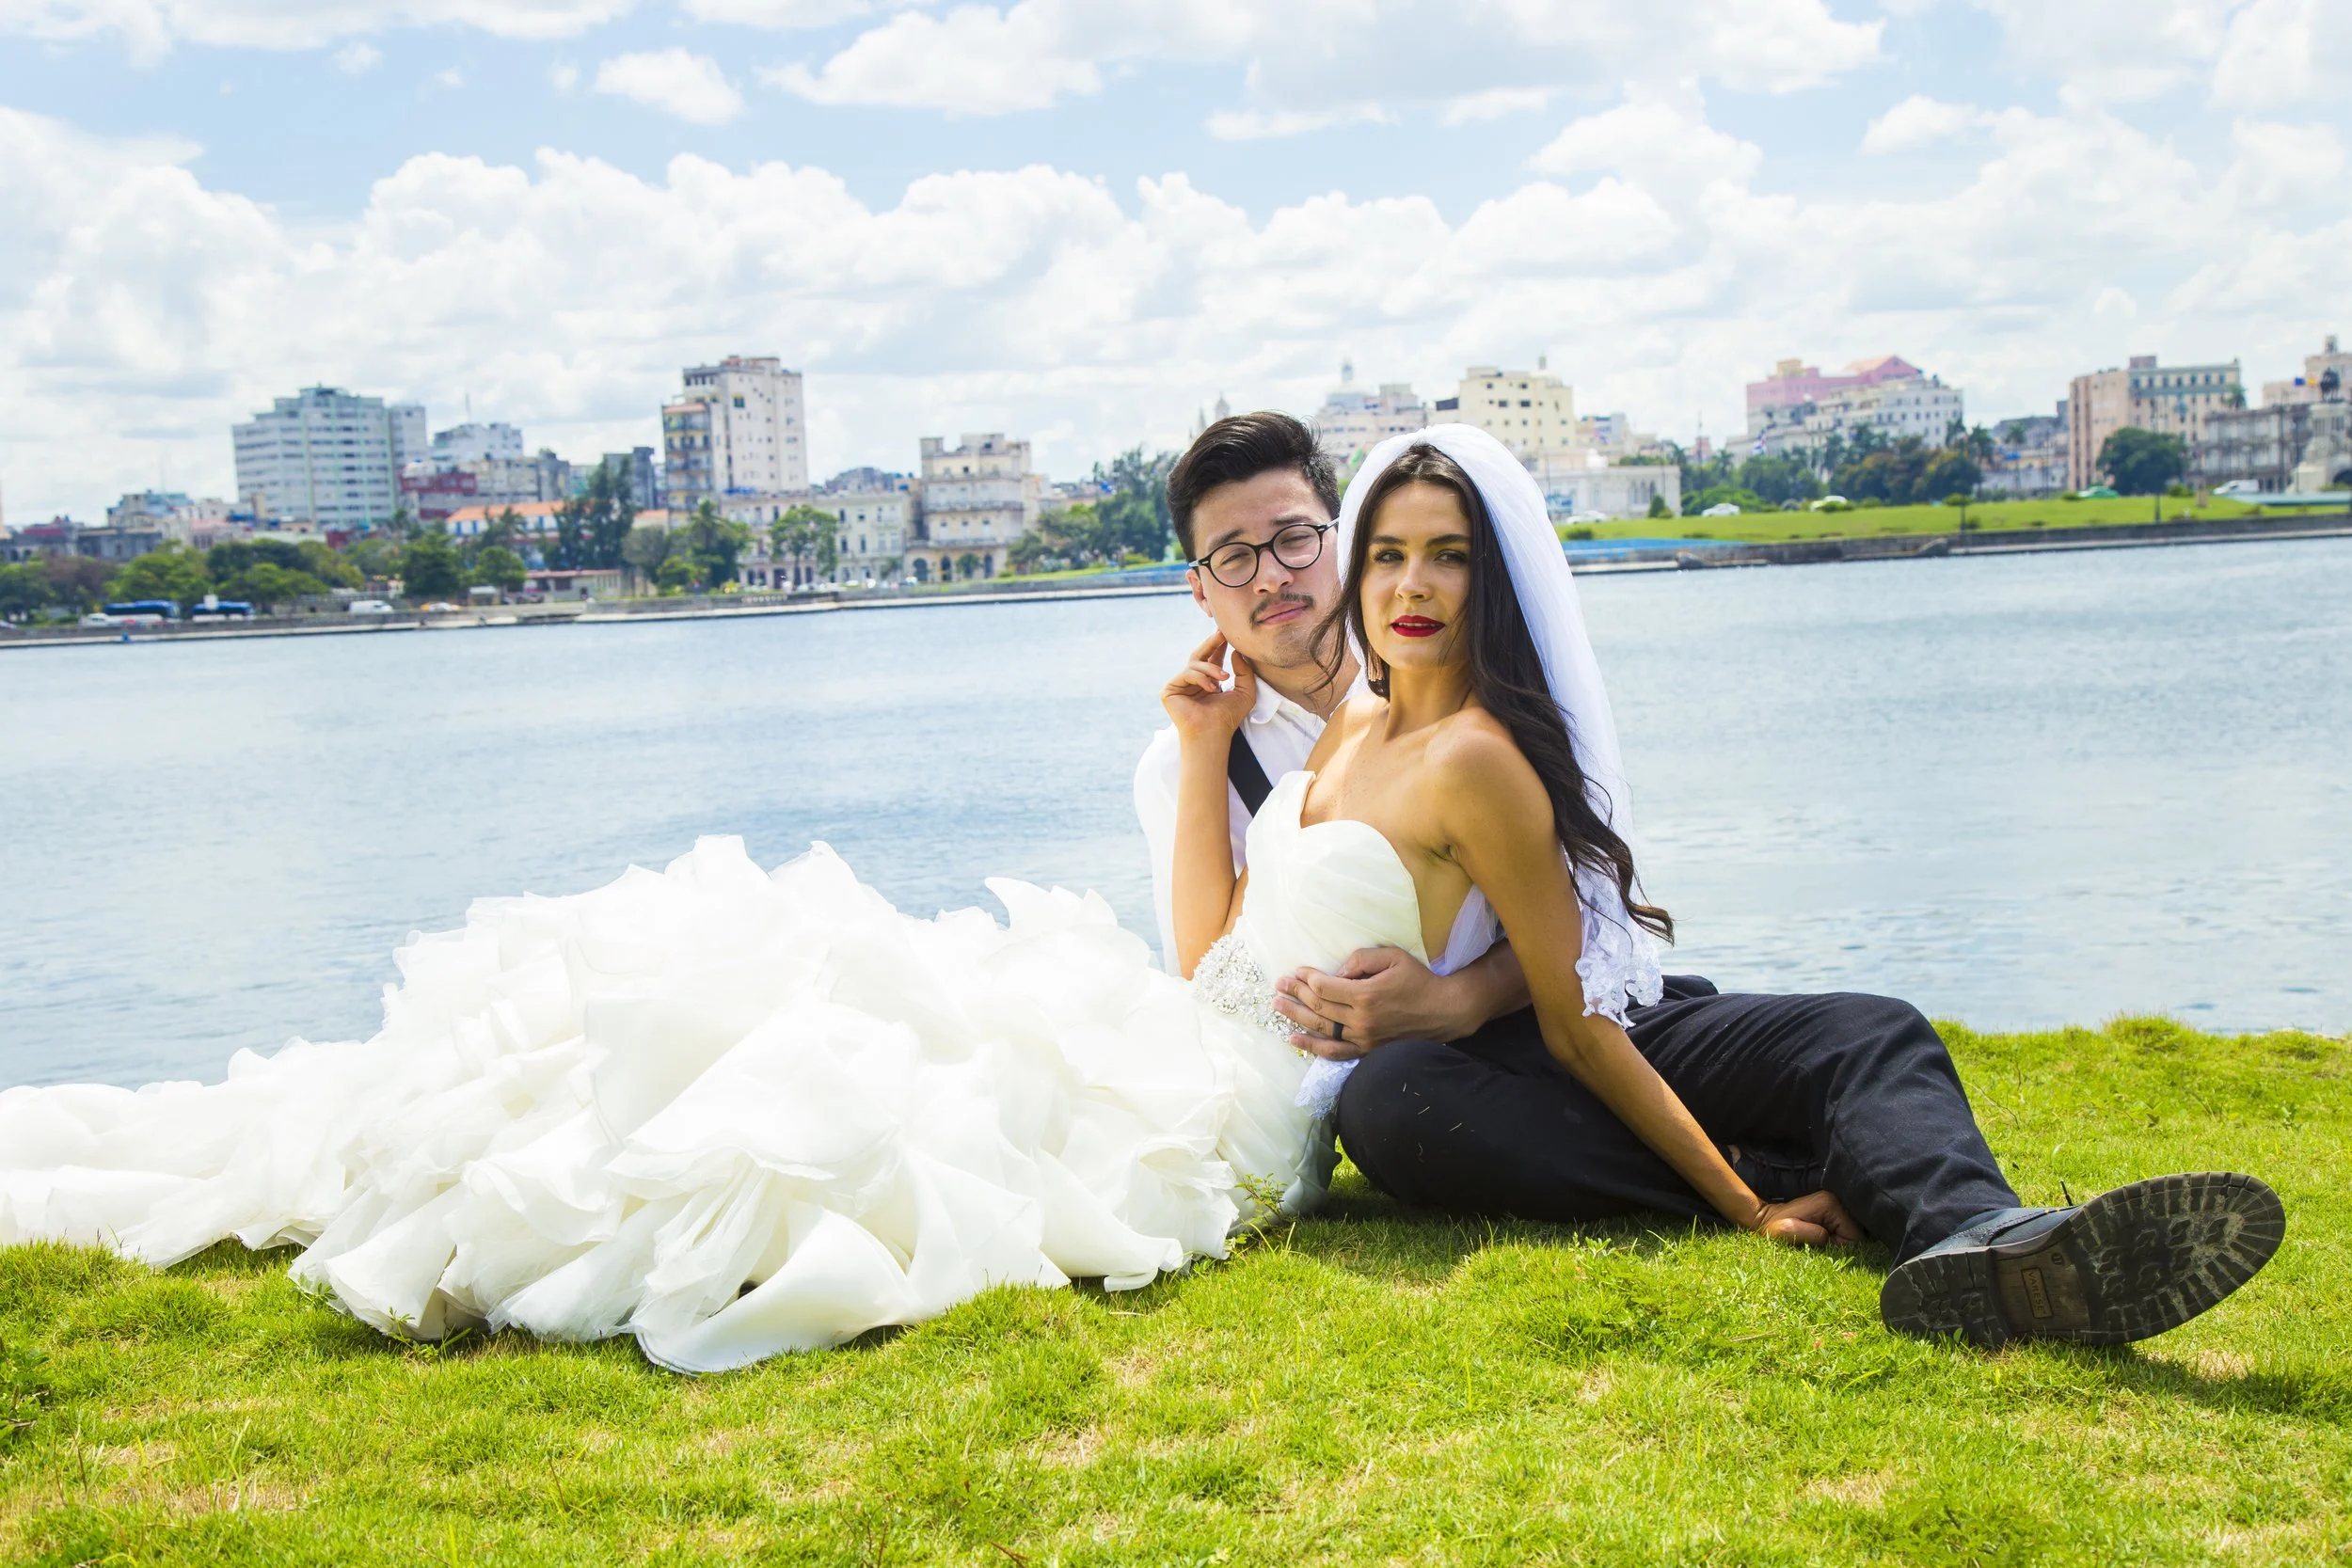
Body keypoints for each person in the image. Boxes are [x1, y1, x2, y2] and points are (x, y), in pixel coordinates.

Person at [1136, 413, 2282, 1347]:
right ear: (1205, 584)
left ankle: (1985, 1237)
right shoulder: (1281, 737)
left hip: (1550, 1012)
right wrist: (1742, 1196)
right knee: (1398, 1105)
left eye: (1300, 540)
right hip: (1421, 1077)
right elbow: (1220, 954)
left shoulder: (1470, 739)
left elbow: (1578, 986)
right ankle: (1789, 1166)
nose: (1400, 584)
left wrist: (1451, 996)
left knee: (1866, 1029)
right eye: (1386, 556)